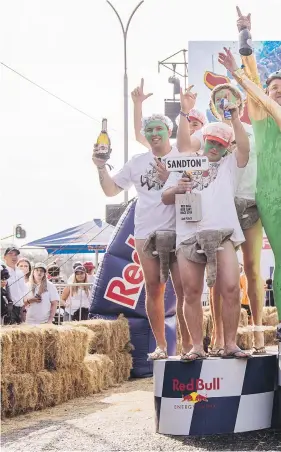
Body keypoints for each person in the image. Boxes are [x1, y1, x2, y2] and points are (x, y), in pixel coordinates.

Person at [92, 112, 192, 360]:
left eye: (159, 128)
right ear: (145, 135)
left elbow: (196, 190)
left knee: (184, 290)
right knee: (154, 289)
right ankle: (161, 346)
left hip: (179, 231)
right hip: (146, 232)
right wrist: (101, 167)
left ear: (168, 131)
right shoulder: (137, 162)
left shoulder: (182, 157)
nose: (154, 133)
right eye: (150, 130)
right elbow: (111, 190)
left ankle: (189, 345)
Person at [162, 101, 251, 360]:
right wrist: (177, 188)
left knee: (232, 288)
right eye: (210, 141)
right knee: (191, 291)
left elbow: (244, 149)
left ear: (227, 148)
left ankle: (230, 344)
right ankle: (197, 347)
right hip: (189, 235)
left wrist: (235, 119)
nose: (214, 147)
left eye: (220, 144)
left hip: (222, 233)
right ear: (203, 141)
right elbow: (165, 196)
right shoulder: (186, 162)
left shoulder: (229, 165)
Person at [218, 7, 281, 338]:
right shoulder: (260, 116)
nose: (278, 90)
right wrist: (245, 40)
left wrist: (239, 73)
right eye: (274, 88)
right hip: (269, 198)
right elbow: (255, 85)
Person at [208, 81, 264, 354]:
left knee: (253, 270)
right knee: (220, 276)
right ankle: (219, 336)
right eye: (219, 100)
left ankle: (258, 333)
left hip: (251, 204)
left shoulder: (254, 133)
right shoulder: (210, 138)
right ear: (214, 108)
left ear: (240, 103)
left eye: (229, 98)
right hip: (222, 210)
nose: (225, 103)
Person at [4, 247, 28, 324]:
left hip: (21, 308)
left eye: (16, 255)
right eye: (10, 254)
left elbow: (23, 291)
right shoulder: (2, 271)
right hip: (8, 308)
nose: (13, 257)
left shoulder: (20, 272)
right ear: (4, 257)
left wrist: (24, 308)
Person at [16, 258, 32, 322]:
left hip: (31, 309)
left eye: (26, 266)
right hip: (17, 308)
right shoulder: (13, 279)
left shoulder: (32, 280)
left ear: (29, 268)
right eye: (21, 266)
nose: (23, 268)